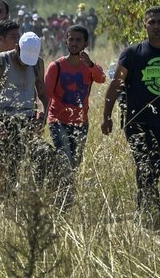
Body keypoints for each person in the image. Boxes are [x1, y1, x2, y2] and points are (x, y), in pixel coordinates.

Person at [101, 6, 160, 230]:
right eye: (152, 22)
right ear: (145, 25)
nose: (156, 26)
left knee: (156, 168)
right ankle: (153, 214)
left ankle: (140, 207)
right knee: (144, 164)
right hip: (136, 120)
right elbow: (116, 85)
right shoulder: (133, 53)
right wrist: (106, 116)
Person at [0, 32, 47, 197]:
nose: (26, 64)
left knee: (14, 164)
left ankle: (7, 198)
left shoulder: (37, 64)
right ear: (17, 47)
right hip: (0, 118)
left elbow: (42, 94)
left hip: (26, 119)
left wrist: (42, 118)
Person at [44, 25, 106, 201]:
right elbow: (47, 95)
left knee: (75, 163)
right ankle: (65, 196)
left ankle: (64, 195)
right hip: (58, 120)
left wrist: (91, 64)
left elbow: (101, 78)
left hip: (80, 122)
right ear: (66, 41)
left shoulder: (90, 67)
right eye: (71, 39)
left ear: (86, 43)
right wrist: (41, 119)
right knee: (65, 158)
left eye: (78, 40)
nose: (74, 43)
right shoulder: (56, 66)